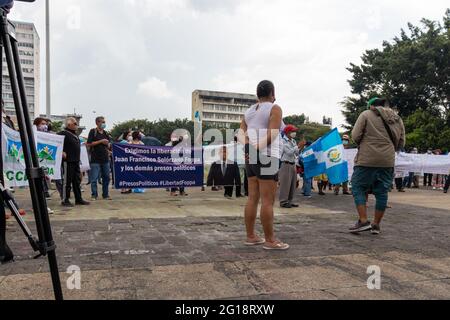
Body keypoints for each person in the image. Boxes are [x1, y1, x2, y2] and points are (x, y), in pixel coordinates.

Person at [238, 80, 289, 251]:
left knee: (253, 198)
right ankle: (270, 240)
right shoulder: (275, 108)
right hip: (267, 156)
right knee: (268, 200)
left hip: (251, 157)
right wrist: (258, 148)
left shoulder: (249, 111)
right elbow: (273, 133)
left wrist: (249, 148)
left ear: (257, 94)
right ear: (272, 93)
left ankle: (251, 236)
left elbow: (241, 133)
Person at [349, 98, 405, 235]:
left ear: (372, 106)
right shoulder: (397, 119)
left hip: (366, 159)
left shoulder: (366, 114)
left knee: (357, 187)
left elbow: (355, 136)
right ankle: (376, 225)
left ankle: (363, 221)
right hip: (387, 161)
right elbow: (402, 142)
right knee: (382, 192)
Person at [58, 117, 90, 207]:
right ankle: (65, 200)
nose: (77, 125)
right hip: (68, 161)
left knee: (77, 181)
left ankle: (78, 199)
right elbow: (55, 142)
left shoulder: (75, 134)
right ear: (69, 125)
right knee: (67, 182)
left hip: (76, 161)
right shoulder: (63, 133)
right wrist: (62, 151)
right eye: (75, 123)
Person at [87, 117, 112, 201]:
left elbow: (108, 144)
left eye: (105, 122)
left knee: (107, 177)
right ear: (97, 123)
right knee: (94, 178)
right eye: (103, 122)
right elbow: (89, 143)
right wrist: (100, 141)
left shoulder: (105, 133)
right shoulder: (93, 131)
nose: (104, 123)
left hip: (105, 158)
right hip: (95, 159)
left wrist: (108, 145)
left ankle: (105, 194)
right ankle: (94, 195)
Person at [278, 125, 301, 208]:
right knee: (285, 184)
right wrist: (297, 147)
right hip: (286, 164)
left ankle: (290, 201)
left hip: (293, 164)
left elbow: (296, 153)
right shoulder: (283, 141)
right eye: (292, 131)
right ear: (287, 132)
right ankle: (283, 201)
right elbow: (289, 152)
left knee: (292, 184)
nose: (294, 133)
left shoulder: (293, 141)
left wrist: (299, 147)